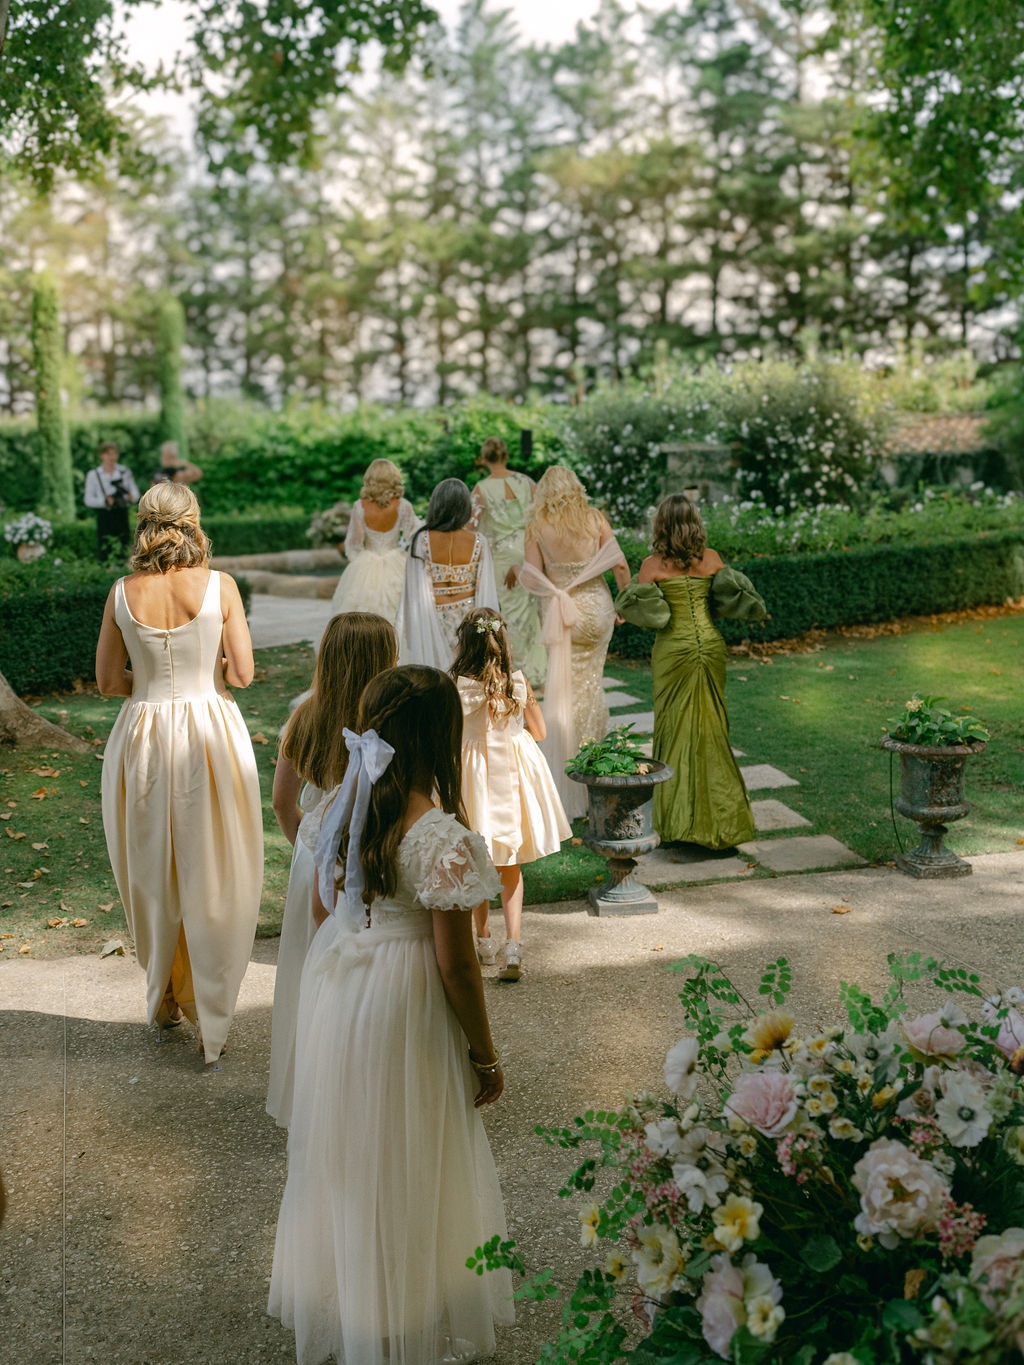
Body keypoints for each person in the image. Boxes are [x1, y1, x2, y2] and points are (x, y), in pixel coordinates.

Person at [268, 666, 514, 1365]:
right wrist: (485, 1052)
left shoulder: (336, 813)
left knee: (353, 1152)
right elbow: (457, 965)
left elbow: (323, 912)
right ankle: (405, 1310)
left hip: (344, 991)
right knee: (413, 1147)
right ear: (441, 737)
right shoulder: (437, 837)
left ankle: (362, 1307)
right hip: (406, 1000)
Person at [94, 482, 263, 1068]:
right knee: (215, 871)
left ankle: (165, 995)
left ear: (141, 526)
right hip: (211, 735)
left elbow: (109, 683)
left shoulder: (121, 591)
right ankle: (210, 1018)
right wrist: (210, 663)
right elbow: (242, 674)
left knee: (152, 871)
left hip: (141, 737)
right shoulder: (221, 586)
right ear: (194, 522)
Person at [266, 611, 399, 1128]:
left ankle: (317, 1091)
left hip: (316, 860)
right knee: (372, 974)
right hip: (377, 855)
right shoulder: (391, 721)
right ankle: (369, 1088)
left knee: (314, 973)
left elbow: (282, 802)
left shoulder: (305, 717)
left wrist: (312, 846)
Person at [617, 492, 766, 850]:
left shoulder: (651, 566)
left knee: (672, 728)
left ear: (661, 525)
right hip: (710, 647)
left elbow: (652, 618)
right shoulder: (712, 560)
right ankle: (723, 824)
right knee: (712, 730)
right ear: (695, 523)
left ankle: (676, 825)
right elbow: (726, 603)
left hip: (673, 651)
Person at [451, 608, 570, 983]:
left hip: (473, 777)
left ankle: (483, 939)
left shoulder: (455, 685)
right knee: (510, 861)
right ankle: (513, 944)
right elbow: (541, 731)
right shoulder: (517, 683)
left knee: (476, 857)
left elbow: (447, 733)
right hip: (513, 775)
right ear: (502, 642)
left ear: (464, 644)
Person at [518, 466, 631, 819]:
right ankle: (595, 770)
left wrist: (554, 588)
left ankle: (567, 776)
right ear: (576, 488)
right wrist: (625, 600)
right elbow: (621, 566)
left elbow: (531, 574)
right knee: (591, 686)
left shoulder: (537, 525)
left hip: (559, 613)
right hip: (596, 610)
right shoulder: (594, 519)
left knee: (563, 691)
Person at [397, 477, 499, 670]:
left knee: (436, 675)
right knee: (467, 676)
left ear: (437, 505)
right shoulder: (478, 541)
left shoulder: (421, 540)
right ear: (464, 507)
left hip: (433, 620)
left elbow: (412, 592)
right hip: (469, 621)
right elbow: (486, 588)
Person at [469, 437, 545, 686]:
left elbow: (472, 525)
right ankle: (539, 667)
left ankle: (520, 669)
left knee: (512, 610)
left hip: (504, 554)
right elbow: (540, 513)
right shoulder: (526, 481)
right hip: (530, 546)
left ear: (485, 458)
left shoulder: (481, 488)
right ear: (505, 455)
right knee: (533, 609)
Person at [328, 458, 420, 625]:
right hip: (396, 560)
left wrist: (360, 565)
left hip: (367, 561)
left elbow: (354, 543)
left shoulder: (359, 506)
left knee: (358, 615)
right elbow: (414, 535)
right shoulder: (403, 505)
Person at [83, 442, 140, 560]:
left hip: (122, 513)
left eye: (114, 453)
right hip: (105, 515)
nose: (112, 457)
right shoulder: (94, 475)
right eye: (108, 454)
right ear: (101, 455)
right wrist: (104, 501)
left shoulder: (124, 472)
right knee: (105, 548)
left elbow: (135, 494)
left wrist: (129, 497)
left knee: (124, 546)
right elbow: (88, 500)